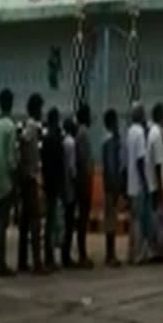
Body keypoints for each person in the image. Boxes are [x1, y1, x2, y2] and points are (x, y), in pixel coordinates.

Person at [18, 94, 46, 275]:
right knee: (35, 220)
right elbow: (23, 141)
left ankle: (22, 261)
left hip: (28, 176)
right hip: (30, 178)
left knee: (26, 221)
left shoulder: (30, 125)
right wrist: (28, 166)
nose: (41, 111)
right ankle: (36, 262)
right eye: (40, 108)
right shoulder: (31, 126)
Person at [0, 89, 17, 277]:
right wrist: (15, 179)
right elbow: (11, 160)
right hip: (7, 181)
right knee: (3, 223)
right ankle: (1, 264)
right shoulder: (10, 126)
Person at [41, 108, 64, 271]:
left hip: (48, 183)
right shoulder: (54, 139)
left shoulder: (46, 138)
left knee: (50, 220)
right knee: (51, 221)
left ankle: (49, 256)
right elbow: (58, 164)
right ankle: (49, 257)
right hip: (54, 184)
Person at [126, 103, 148, 265]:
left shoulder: (129, 132)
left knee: (133, 220)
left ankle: (131, 253)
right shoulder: (140, 133)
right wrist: (145, 181)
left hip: (130, 183)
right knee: (140, 221)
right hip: (139, 184)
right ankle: (139, 255)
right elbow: (141, 159)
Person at [146, 102, 163, 263]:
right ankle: (158, 252)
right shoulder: (157, 134)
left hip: (152, 183)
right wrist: (161, 188)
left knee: (156, 218)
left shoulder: (151, 133)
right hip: (156, 185)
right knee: (159, 220)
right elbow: (158, 163)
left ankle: (155, 250)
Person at [101, 109, 123, 267]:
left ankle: (111, 253)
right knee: (110, 220)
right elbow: (110, 166)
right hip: (111, 186)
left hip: (111, 185)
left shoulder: (113, 140)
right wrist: (115, 186)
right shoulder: (109, 141)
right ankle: (110, 254)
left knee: (112, 220)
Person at [74, 103, 94, 269]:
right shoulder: (84, 133)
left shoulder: (79, 133)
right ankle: (82, 254)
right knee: (83, 217)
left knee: (82, 217)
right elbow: (84, 161)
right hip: (83, 180)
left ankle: (82, 253)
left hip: (81, 179)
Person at [62, 118, 79, 268]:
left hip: (63, 186)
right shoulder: (72, 143)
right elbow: (73, 169)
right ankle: (66, 256)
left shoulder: (63, 142)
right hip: (70, 188)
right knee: (69, 223)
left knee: (66, 222)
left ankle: (64, 254)